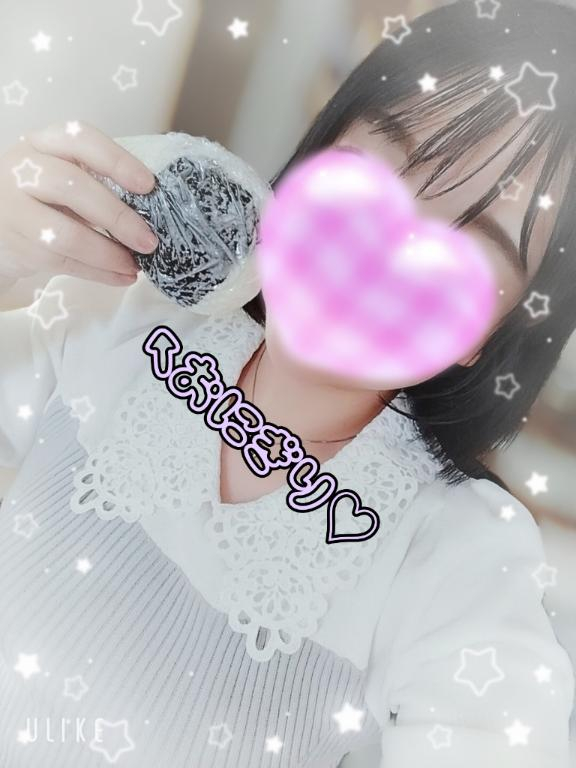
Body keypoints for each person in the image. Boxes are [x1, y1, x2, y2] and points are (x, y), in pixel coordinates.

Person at [0, 0, 575, 765]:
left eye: (464, 243)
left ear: (493, 335)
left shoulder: (454, 562)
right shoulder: (117, 322)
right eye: (381, 164)